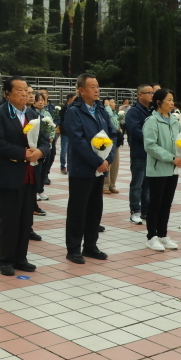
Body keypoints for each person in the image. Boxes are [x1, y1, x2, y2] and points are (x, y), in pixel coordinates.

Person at [0, 76, 49, 275]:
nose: (25, 94)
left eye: (26, 90)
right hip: (11, 172)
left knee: (25, 219)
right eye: (20, 90)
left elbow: (44, 140)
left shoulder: (33, 113)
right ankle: (5, 259)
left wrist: (41, 151)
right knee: (10, 219)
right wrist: (23, 153)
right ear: (7, 93)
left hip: (31, 172)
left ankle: (21, 258)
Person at [62, 73, 113, 263]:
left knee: (95, 208)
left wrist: (108, 159)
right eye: (93, 87)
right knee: (78, 209)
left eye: (97, 86)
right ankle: (73, 248)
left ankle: (90, 246)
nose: (97, 90)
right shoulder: (74, 112)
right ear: (81, 90)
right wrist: (96, 161)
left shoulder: (101, 110)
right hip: (82, 169)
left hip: (100, 168)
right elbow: (78, 141)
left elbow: (113, 135)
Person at [142, 89, 181, 251]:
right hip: (158, 169)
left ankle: (163, 234)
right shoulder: (152, 121)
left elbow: (179, 140)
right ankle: (151, 237)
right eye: (169, 100)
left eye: (173, 100)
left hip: (173, 168)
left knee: (166, 203)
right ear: (159, 102)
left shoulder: (174, 120)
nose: (172, 103)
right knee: (155, 203)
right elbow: (150, 145)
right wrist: (171, 157)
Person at [126, 83, 154, 225]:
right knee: (137, 184)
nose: (152, 95)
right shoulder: (133, 112)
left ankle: (145, 210)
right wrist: (151, 139)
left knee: (148, 185)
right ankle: (135, 211)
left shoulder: (152, 111)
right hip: (139, 153)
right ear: (140, 95)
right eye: (149, 93)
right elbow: (134, 130)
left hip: (151, 153)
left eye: (152, 93)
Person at [32, 90, 52, 214]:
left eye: (42, 100)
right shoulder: (32, 113)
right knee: (36, 171)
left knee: (44, 169)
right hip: (35, 148)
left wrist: (51, 137)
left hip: (46, 146)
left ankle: (40, 190)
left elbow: (52, 126)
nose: (40, 102)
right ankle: (36, 192)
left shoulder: (46, 113)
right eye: (38, 100)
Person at [103, 98, 122, 194]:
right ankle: (105, 185)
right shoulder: (106, 111)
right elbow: (109, 119)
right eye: (112, 102)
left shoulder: (115, 113)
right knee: (109, 162)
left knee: (115, 164)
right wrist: (107, 106)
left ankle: (112, 185)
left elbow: (116, 124)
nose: (115, 104)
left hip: (116, 140)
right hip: (108, 140)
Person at [59, 93, 76, 174]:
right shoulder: (63, 108)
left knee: (70, 151)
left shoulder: (75, 108)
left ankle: (70, 167)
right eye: (74, 98)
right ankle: (63, 167)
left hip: (72, 132)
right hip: (65, 132)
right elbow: (61, 119)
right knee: (64, 151)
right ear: (69, 99)